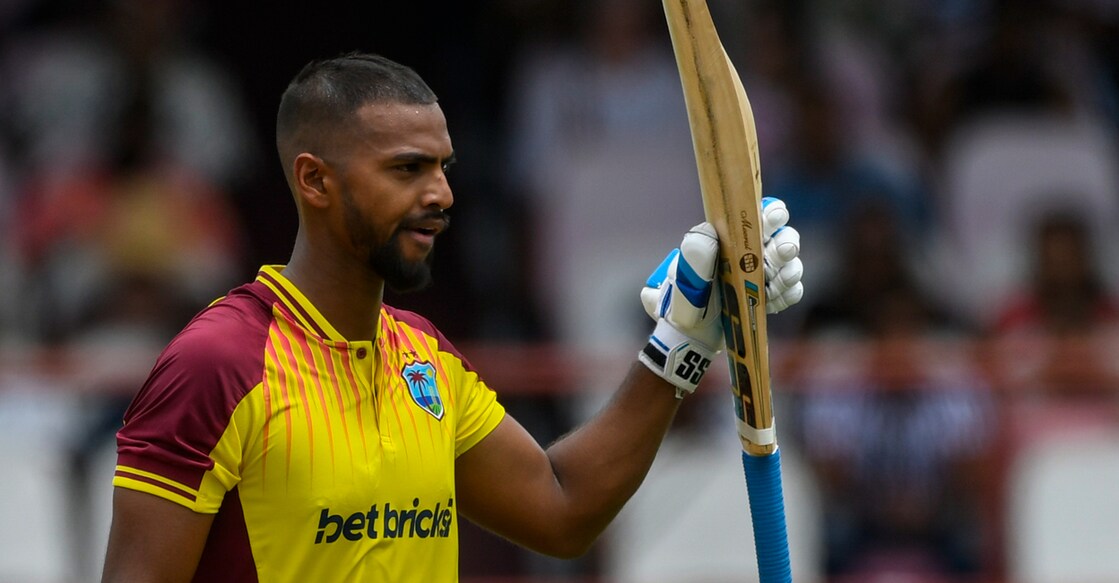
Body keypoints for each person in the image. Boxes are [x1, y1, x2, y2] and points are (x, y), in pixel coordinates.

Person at [99, 52, 803, 582]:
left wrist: (679, 343)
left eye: (443, 166)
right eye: (406, 169)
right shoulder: (216, 365)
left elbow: (561, 509)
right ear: (314, 179)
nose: (441, 193)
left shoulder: (422, 356)